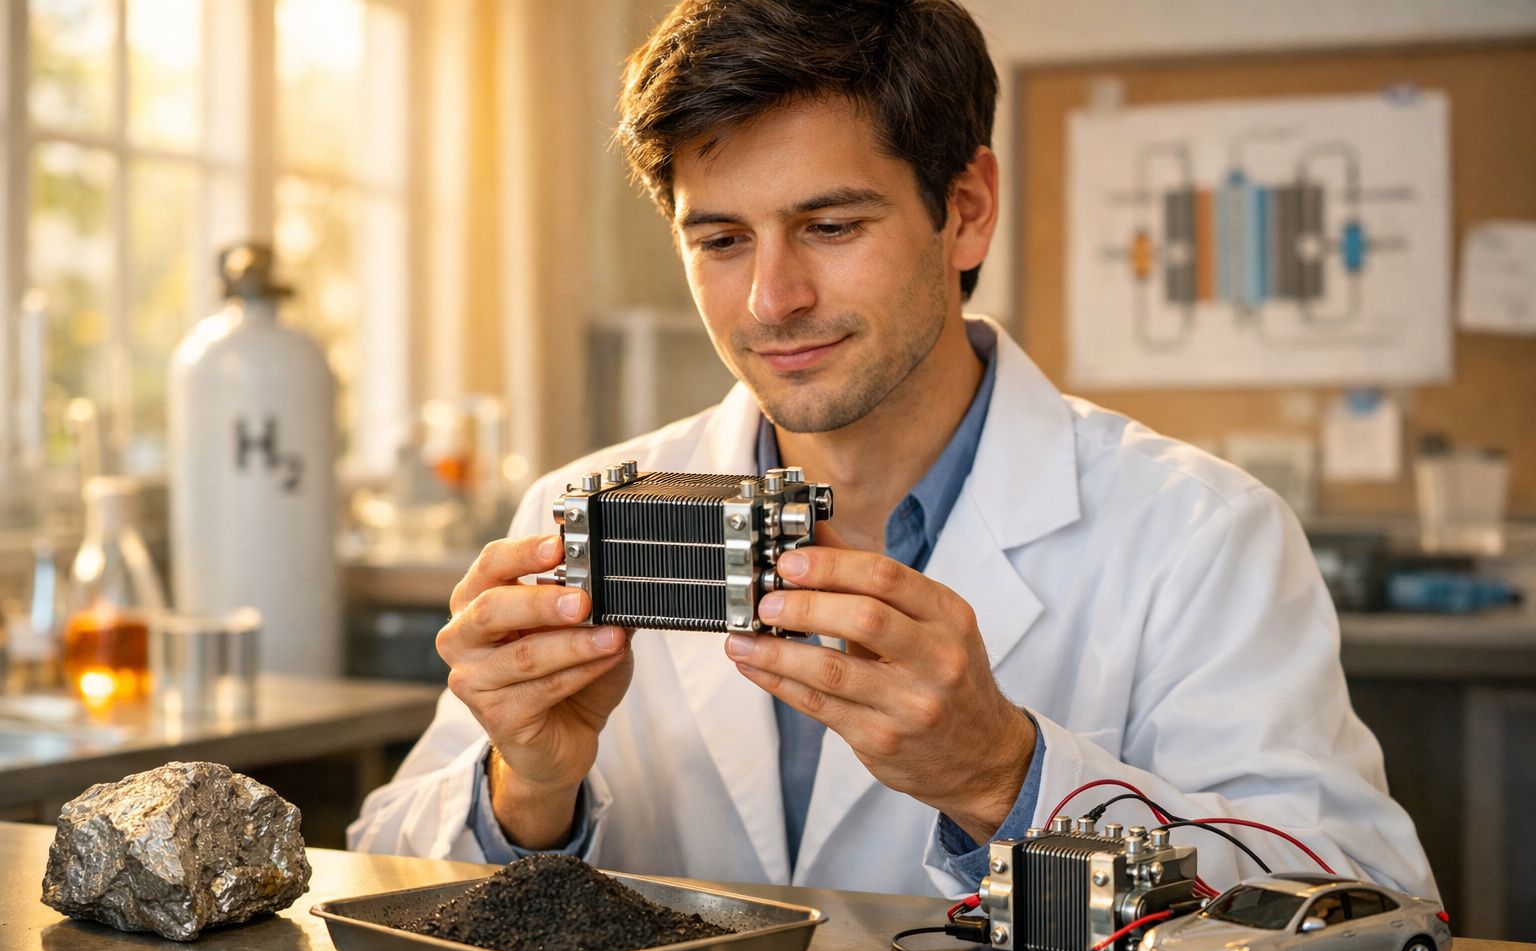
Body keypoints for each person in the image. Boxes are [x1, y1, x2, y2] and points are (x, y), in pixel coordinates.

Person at [349, 0, 1435, 901]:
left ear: (966, 210)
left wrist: (1005, 776)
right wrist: (528, 790)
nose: (772, 299)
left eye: (831, 226)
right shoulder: (577, 510)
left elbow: (1366, 903)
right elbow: (379, 870)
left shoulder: (1199, 533)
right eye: (721, 239)